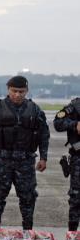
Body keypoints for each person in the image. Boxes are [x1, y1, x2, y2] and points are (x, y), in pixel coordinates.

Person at [0, 75, 49, 230]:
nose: (18, 95)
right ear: (8, 90)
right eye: (14, 91)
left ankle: (28, 231)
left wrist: (43, 157)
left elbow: (44, 134)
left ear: (27, 91)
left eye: (21, 91)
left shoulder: (35, 110)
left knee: (28, 197)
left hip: (25, 160)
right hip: (2, 159)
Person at [53, 97, 80, 231]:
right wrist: (75, 125)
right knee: (76, 197)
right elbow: (58, 123)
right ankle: (72, 235)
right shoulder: (75, 106)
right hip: (78, 158)